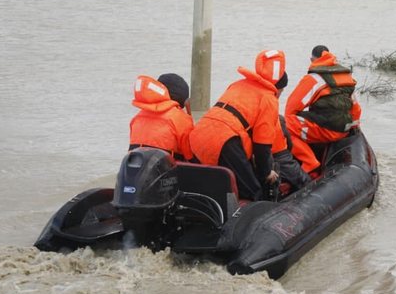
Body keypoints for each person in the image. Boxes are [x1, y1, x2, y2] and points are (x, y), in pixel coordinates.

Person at [188, 50, 287, 201]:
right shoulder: (269, 98)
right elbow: (262, 146)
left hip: (199, 134)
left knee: (210, 185)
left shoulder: (238, 85)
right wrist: (266, 173)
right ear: (279, 88)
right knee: (254, 192)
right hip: (226, 141)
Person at [285, 45, 362, 175]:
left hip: (326, 130)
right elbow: (356, 109)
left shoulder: (314, 79)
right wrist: (352, 129)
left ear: (312, 59)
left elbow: (290, 109)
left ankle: (310, 162)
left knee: (283, 125)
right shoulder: (346, 77)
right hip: (344, 131)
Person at [128, 73, 194, 160]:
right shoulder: (181, 119)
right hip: (166, 171)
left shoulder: (137, 117)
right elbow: (190, 156)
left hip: (136, 169)